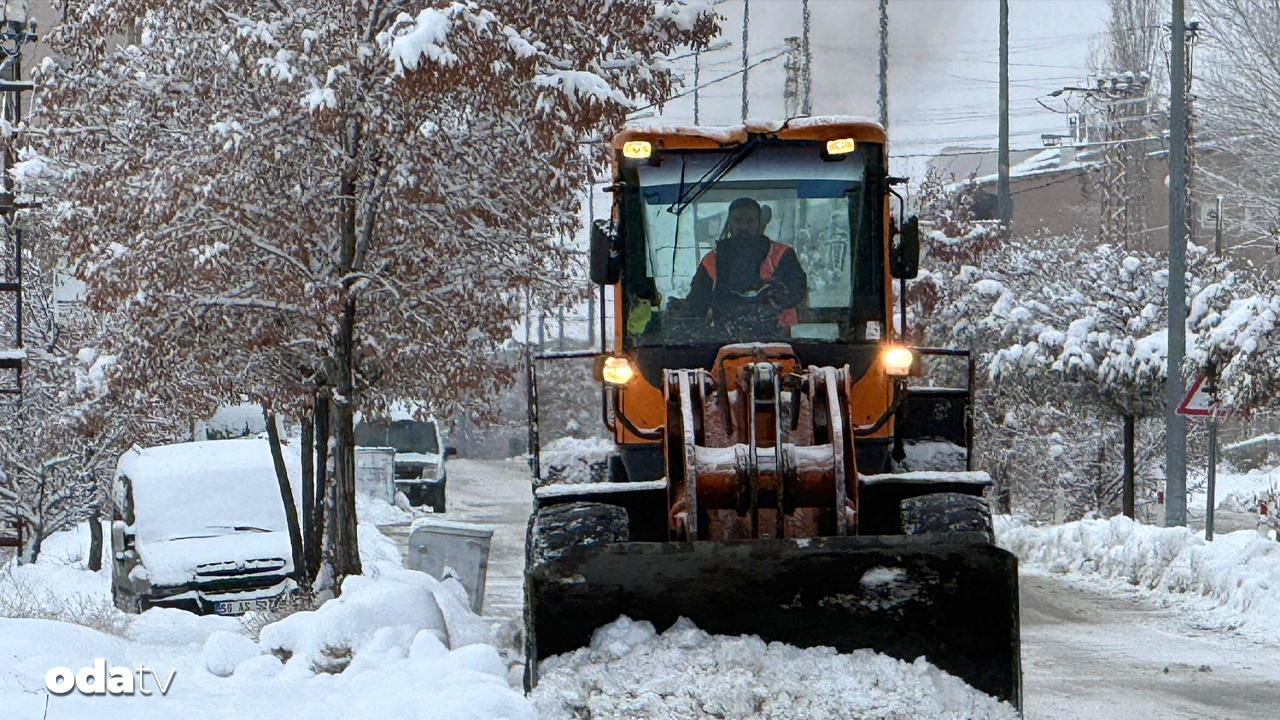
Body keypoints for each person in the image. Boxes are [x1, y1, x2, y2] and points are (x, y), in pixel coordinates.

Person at [679, 197, 807, 334]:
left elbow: (798, 295)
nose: (743, 227)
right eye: (737, 220)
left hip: (776, 344)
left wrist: (778, 299)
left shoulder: (782, 255)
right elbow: (697, 305)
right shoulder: (711, 260)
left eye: (750, 221)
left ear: (759, 224)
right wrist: (682, 310)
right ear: (729, 223)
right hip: (724, 345)